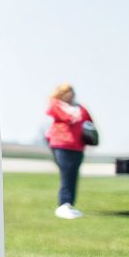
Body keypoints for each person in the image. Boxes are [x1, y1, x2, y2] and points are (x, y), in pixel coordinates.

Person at [45, 83, 93, 219]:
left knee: (73, 174)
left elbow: (89, 121)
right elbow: (66, 117)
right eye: (67, 91)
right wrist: (74, 113)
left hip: (78, 146)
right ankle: (63, 204)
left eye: (71, 91)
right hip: (61, 144)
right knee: (67, 173)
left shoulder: (80, 108)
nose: (70, 94)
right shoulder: (56, 105)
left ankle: (69, 204)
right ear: (61, 93)